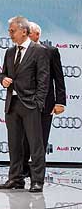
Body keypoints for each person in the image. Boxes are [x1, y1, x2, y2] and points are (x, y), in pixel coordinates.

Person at [0, 16, 49, 193]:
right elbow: (2, 74)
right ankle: (16, 178)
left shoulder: (39, 51)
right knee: (14, 144)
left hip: (30, 104)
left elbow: (44, 80)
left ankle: (37, 181)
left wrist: (38, 103)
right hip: (12, 103)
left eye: (12, 31)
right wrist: (3, 80)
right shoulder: (10, 52)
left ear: (24, 31)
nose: (9, 34)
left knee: (35, 144)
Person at [21, 21, 66, 177]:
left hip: (45, 104)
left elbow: (59, 78)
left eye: (28, 33)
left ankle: (37, 173)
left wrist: (60, 102)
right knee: (23, 139)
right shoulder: (20, 51)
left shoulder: (51, 51)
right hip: (24, 103)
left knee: (40, 139)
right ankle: (22, 171)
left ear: (37, 34)